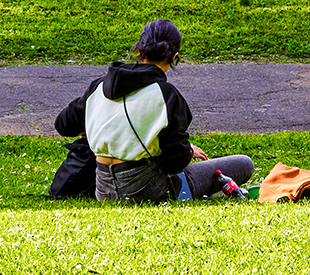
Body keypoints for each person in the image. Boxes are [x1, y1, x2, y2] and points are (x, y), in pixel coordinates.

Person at [54, 19, 254, 203]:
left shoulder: (98, 86)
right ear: (175, 57)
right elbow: (175, 161)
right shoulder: (165, 94)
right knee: (244, 164)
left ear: (140, 51)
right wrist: (188, 151)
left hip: (103, 188)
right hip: (145, 189)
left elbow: (63, 124)